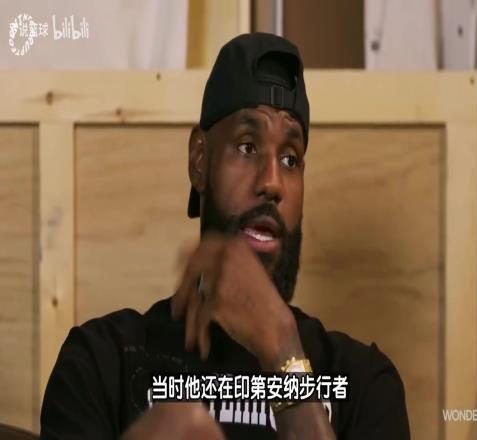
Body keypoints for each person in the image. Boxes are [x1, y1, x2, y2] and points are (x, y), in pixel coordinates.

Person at [40, 33, 410, 440]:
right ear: (200, 161)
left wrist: (283, 353)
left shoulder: (363, 383)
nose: (272, 182)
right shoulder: (101, 362)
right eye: (248, 147)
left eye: (290, 159)